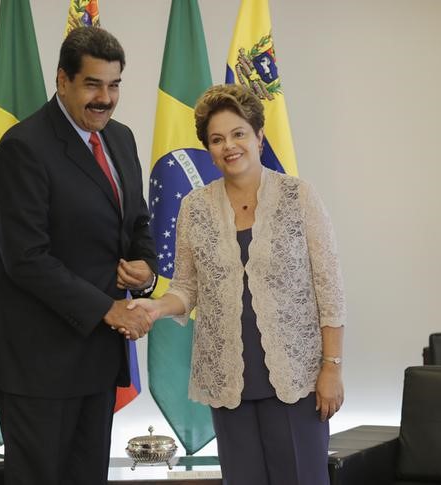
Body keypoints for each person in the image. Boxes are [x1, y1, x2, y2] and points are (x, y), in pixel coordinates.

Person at [129, 84, 346, 485]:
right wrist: (156, 307)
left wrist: (331, 368)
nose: (229, 146)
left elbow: (329, 290)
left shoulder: (299, 196)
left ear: (259, 137)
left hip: (296, 381)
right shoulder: (193, 208)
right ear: (208, 148)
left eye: (238, 133)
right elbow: (186, 288)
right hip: (229, 383)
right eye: (217, 139)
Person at [0, 27, 157, 485]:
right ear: (63, 81)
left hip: (96, 357)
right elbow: (26, 258)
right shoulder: (23, 147)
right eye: (93, 84)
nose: (105, 98)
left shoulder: (121, 139)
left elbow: (136, 222)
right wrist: (107, 309)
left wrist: (146, 269)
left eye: (114, 85)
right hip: (39, 363)